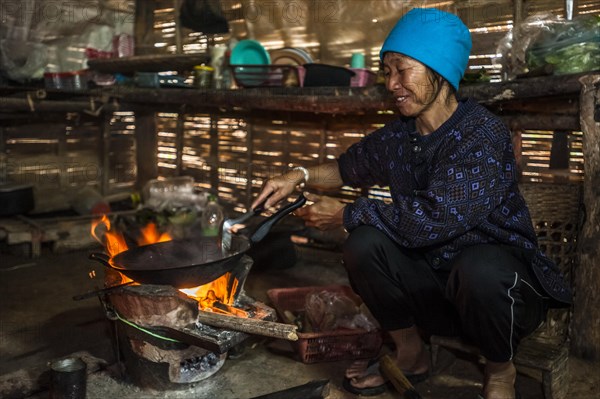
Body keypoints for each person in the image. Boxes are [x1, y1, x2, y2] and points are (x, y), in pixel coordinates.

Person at [251, 8, 571, 399]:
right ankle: (411, 353)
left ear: (440, 71)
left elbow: (435, 218)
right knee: (363, 243)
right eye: (387, 72)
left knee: (479, 267)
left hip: (504, 298)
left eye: (402, 70)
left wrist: (346, 214)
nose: (392, 83)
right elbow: (345, 168)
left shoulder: (482, 134)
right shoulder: (400, 136)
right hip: (438, 293)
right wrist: (296, 176)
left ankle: (501, 369)